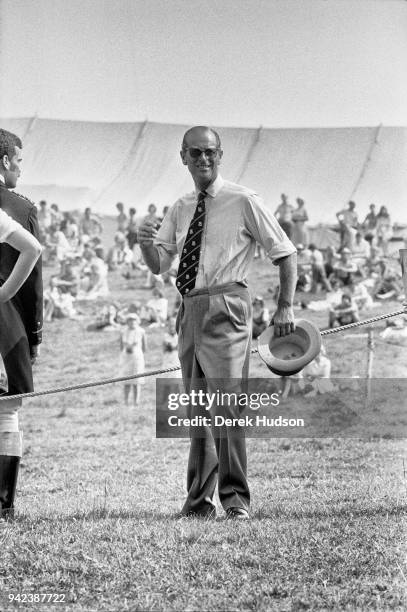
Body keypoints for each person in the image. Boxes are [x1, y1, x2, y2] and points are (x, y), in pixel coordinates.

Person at [138, 125, 297, 520]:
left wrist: (286, 307)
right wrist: (144, 244)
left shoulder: (243, 200)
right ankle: (198, 503)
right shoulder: (181, 206)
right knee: (197, 410)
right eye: (195, 153)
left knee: (227, 407)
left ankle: (235, 500)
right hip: (189, 307)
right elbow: (161, 264)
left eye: (210, 152)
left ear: (220, 155)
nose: (203, 159)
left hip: (228, 304)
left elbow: (286, 253)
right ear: (183, 157)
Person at [0, 128, 43, 519]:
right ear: (3, 162)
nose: (20, 169)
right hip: (7, 318)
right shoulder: (21, 207)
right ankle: (4, 505)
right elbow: (33, 276)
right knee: (7, 411)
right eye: (18, 161)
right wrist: (35, 332)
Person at [118, 313, 146, 407]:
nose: (132, 322)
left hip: (137, 357)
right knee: (126, 380)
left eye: (133, 320)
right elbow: (121, 346)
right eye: (129, 320)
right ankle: (125, 401)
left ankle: (136, 401)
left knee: (136, 380)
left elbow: (144, 346)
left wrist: (139, 353)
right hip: (126, 357)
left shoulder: (141, 331)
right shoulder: (123, 331)